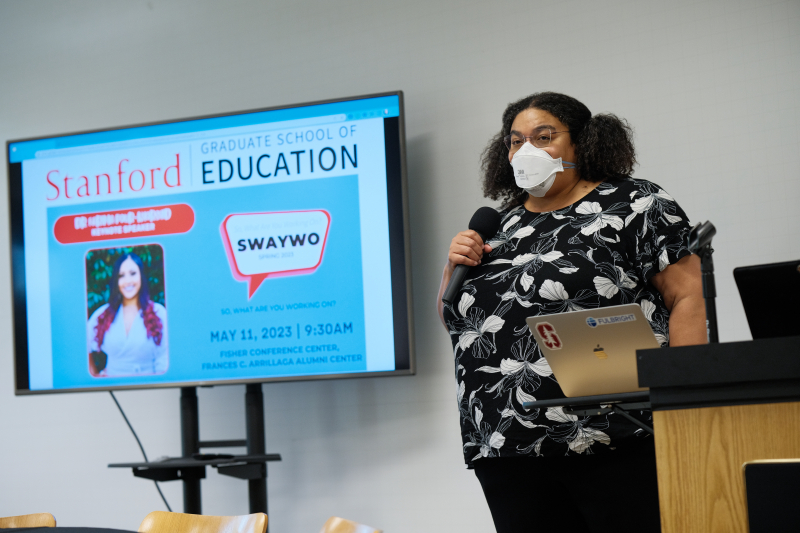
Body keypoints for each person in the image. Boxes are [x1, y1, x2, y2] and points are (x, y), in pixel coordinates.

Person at [437, 92, 706, 533]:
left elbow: (687, 297)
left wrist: (686, 403)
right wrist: (453, 268)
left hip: (616, 434)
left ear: (583, 142)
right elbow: (460, 323)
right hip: (507, 442)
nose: (526, 151)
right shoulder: (496, 227)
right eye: (515, 141)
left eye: (543, 137)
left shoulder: (634, 204)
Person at [87, 252, 168, 376]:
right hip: (112, 388)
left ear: (141, 276)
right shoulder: (103, 314)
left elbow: (164, 358)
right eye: (121, 275)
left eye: (133, 273)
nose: (128, 281)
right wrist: (94, 377)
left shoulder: (159, 313)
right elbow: (82, 347)